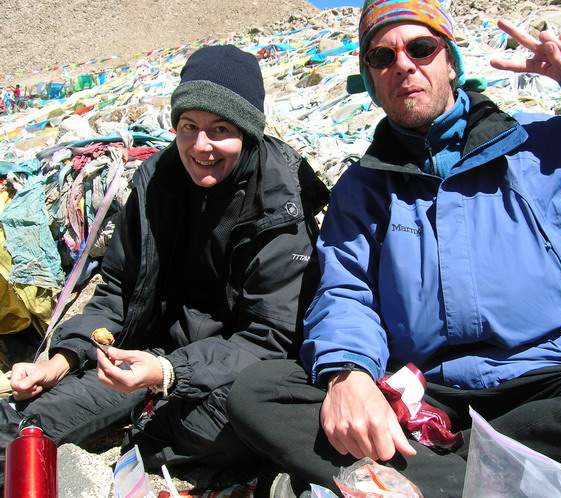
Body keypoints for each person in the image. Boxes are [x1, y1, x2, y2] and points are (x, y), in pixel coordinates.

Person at [226, 1, 561, 496]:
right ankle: (499, 477)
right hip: (421, 394)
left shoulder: (537, 149)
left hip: (544, 384)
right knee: (260, 393)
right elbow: (345, 292)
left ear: (450, 60)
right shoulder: (363, 187)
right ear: (370, 80)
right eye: (381, 57)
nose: (403, 65)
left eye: (420, 47)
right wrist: (349, 374)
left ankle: (438, 475)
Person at [0, 44, 328, 481]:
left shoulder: (281, 207)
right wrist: (61, 358)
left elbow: (270, 334)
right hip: (149, 350)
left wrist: (169, 374)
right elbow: (119, 286)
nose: (201, 146)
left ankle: (149, 433)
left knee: (229, 427)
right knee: (26, 428)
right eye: (188, 126)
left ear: (248, 132)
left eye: (220, 129)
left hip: (235, 368)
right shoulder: (158, 179)